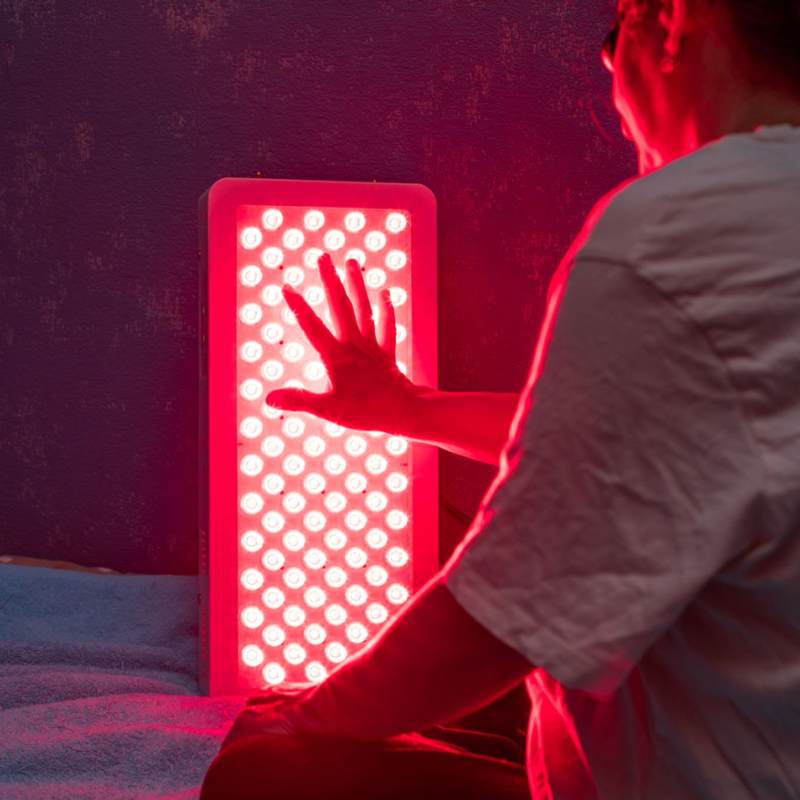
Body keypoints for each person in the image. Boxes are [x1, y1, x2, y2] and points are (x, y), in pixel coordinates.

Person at [201, 0, 800, 796]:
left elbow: (501, 621)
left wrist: (307, 719)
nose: (605, 67)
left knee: (259, 768)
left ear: (673, 21)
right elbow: (668, 445)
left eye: (611, 31)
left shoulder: (681, 231)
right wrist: (409, 411)